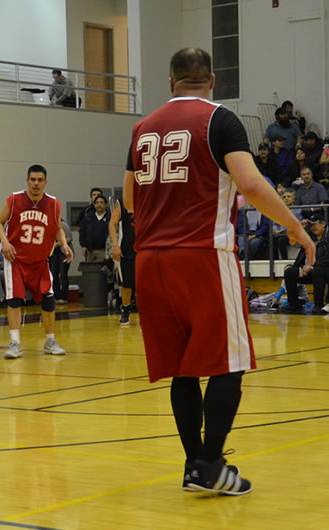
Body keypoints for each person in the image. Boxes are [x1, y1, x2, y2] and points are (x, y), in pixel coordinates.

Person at [124, 48, 314, 495]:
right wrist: (295, 227)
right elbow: (250, 183)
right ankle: (211, 465)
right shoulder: (219, 119)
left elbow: (131, 200)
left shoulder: (142, 128)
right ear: (211, 81)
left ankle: (195, 465)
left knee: (183, 369)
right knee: (230, 363)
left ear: (170, 83)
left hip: (149, 260)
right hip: (202, 254)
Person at [0, 164, 73, 359]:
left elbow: (58, 228)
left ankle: (50, 341)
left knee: (48, 299)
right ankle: (15, 343)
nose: (36, 183)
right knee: (15, 300)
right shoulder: (14, 199)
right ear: (27, 181)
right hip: (16, 259)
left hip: (40, 260)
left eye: (40, 180)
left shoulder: (53, 204)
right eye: (33, 180)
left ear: (45, 182)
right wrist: (5, 242)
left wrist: (64, 244)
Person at [108, 198, 135, 324]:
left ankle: (147, 311)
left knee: (146, 284)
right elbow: (112, 223)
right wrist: (115, 245)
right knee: (126, 283)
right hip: (127, 249)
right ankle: (125, 309)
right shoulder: (123, 202)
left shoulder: (150, 198)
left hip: (145, 247)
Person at [79, 194, 110, 261]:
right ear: (94, 204)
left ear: (105, 204)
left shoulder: (110, 218)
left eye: (101, 202)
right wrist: (83, 246)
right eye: (97, 203)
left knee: (103, 267)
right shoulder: (88, 218)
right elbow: (82, 232)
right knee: (89, 267)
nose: (99, 204)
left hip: (104, 250)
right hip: (90, 251)